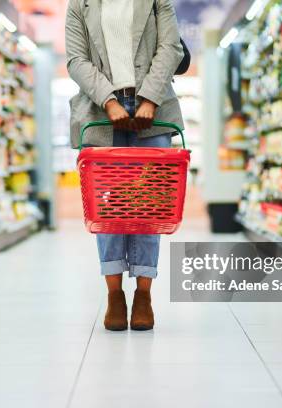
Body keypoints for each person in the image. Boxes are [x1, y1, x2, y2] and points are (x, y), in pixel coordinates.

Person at [66, 0, 184, 331]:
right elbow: (77, 60)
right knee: (108, 209)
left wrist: (149, 98)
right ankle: (115, 294)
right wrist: (108, 100)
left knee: (150, 207)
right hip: (100, 112)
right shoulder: (80, 4)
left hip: (154, 110)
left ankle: (144, 294)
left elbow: (170, 47)